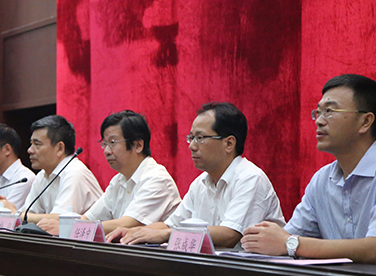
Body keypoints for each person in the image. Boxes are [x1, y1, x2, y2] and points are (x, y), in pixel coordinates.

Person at [241, 74, 376, 268]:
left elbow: (375, 250)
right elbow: (289, 236)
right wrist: (265, 240)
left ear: (365, 122)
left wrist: (290, 244)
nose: (319, 121)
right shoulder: (322, 179)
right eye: (318, 112)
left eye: (329, 111)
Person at [107, 102, 285, 247]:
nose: (192, 146)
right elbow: (170, 224)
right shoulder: (200, 183)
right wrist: (134, 232)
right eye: (191, 138)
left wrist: (166, 234)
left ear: (229, 144)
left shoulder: (250, 178)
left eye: (200, 138)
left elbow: (230, 234)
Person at [37, 110, 181, 235]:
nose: (106, 151)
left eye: (112, 143)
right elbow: (89, 218)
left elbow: (128, 224)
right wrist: (63, 225)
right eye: (104, 144)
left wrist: (68, 228)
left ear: (138, 145)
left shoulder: (156, 178)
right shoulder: (118, 180)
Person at [0, 115, 103, 224]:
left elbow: (61, 220)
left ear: (60, 148)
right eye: (31, 144)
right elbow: (29, 214)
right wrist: (10, 212)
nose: (30, 150)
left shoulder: (75, 173)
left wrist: (15, 214)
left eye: (37, 144)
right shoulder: (42, 175)